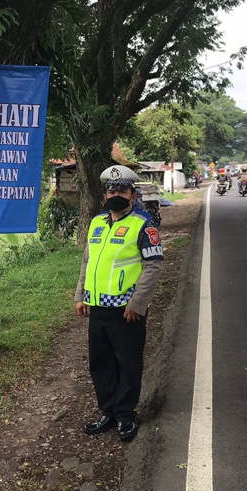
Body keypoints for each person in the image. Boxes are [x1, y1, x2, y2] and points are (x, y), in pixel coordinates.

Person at [74, 171, 164, 441]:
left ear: (132, 196)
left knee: (128, 363)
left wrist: (138, 303)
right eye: (111, 191)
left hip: (127, 311)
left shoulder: (144, 225)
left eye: (122, 192)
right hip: (97, 307)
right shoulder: (97, 223)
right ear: (105, 195)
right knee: (100, 364)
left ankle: (126, 416)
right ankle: (108, 412)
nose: (115, 196)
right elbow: (87, 262)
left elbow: (154, 266)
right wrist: (81, 295)